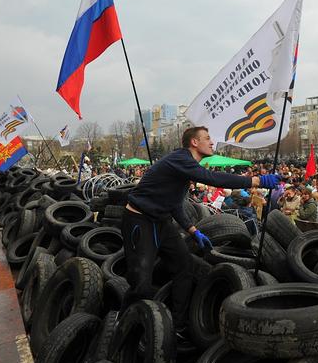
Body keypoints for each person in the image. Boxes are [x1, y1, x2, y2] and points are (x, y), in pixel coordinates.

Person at [120, 126, 280, 343]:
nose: (212, 142)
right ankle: (125, 326)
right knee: (141, 282)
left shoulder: (186, 167)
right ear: (194, 143)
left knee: (184, 268)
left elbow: (175, 203)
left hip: (162, 222)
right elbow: (212, 178)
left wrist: (193, 231)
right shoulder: (181, 158)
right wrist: (256, 181)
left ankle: (175, 326)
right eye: (207, 138)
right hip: (139, 220)